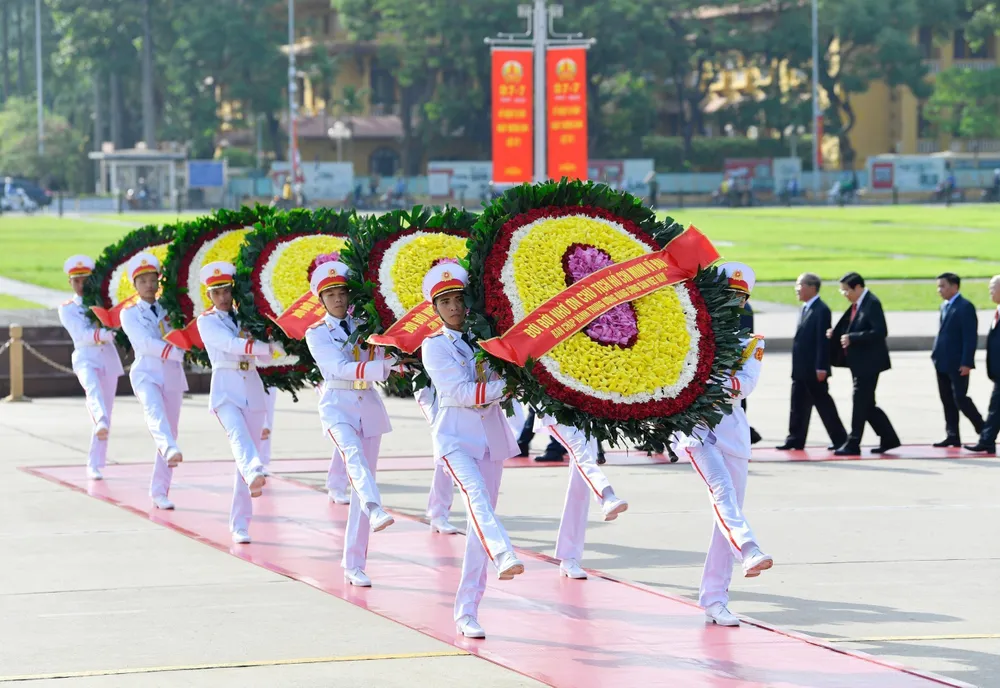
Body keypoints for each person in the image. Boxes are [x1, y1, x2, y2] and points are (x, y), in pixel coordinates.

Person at [420, 262, 523, 639]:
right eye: (445, 302)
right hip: (454, 440)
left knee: (480, 520)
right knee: (477, 498)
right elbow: (461, 393)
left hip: (490, 440)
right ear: (435, 309)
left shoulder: (490, 338)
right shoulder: (433, 347)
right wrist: (504, 388)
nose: (454, 308)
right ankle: (505, 554)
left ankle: (467, 611)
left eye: (459, 299)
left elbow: (507, 375)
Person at [671, 261, 773, 628]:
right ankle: (750, 549)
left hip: (731, 430)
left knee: (724, 514)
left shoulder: (751, 343)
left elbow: (745, 385)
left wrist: (713, 382)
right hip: (696, 429)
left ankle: (715, 599)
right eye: (729, 296)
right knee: (722, 492)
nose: (735, 304)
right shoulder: (693, 335)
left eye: (741, 298)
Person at [305, 257, 399, 588]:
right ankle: (375, 508)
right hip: (337, 406)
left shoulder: (365, 324)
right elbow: (340, 368)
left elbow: (380, 355)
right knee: (354, 461)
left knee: (364, 478)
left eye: (343, 292)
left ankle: (354, 563)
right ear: (321, 299)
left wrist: (399, 358)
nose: (339, 299)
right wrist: (383, 367)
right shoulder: (316, 333)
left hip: (368, 405)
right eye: (331, 295)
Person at [196, 262, 278, 544]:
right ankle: (254, 468)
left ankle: (240, 523)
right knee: (238, 437)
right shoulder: (206, 321)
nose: (222, 297)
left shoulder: (247, 317)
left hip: (252, 387)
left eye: (226, 291)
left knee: (243, 456)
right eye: (216, 292)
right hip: (225, 389)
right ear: (209, 295)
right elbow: (230, 344)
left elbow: (265, 357)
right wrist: (262, 347)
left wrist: (274, 344)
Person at [119, 252, 188, 510]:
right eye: (143, 280)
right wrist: (175, 351)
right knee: (154, 413)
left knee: (171, 428)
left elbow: (183, 333)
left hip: (171, 375)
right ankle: (168, 446)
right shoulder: (130, 314)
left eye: (152, 279)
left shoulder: (172, 309)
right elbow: (144, 343)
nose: (149, 285)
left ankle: (159, 490)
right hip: (146, 373)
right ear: (135, 285)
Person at [534, 415, 628, 580]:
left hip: (585, 410)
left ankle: (569, 556)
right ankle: (606, 495)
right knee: (581, 452)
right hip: (556, 411)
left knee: (579, 481)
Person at [58, 255, 125, 480]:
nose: (81, 285)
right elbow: (80, 334)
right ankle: (100, 420)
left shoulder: (104, 302)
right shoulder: (67, 308)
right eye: (76, 280)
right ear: (70, 282)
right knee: (93, 392)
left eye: (85, 280)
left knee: (107, 409)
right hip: (86, 358)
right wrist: (106, 334)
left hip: (107, 358)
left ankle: (95, 463)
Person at [828, 273, 901, 456]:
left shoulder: (872, 303)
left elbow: (880, 331)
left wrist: (853, 338)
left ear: (858, 287)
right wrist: (836, 334)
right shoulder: (858, 304)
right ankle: (889, 437)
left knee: (860, 402)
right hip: (859, 363)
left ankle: (854, 443)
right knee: (866, 404)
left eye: (846, 290)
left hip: (870, 363)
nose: (844, 294)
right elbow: (851, 325)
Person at [777, 273, 847, 451]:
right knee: (797, 404)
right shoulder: (804, 308)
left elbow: (822, 342)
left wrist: (822, 367)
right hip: (801, 368)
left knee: (824, 405)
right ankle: (795, 438)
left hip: (814, 369)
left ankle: (841, 439)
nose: (796, 289)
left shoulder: (821, 310)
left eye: (799, 285)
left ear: (811, 287)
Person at [931, 273, 984, 447]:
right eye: (938, 286)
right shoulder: (944, 306)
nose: (939, 290)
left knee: (960, 398)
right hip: (942, 361)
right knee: (947, 400)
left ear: (955, 287)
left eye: (943, 286)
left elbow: (970, 337)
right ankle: (952, 435)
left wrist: (967, 362)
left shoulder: (965, 307)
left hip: (957, 363)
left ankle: (983, 430)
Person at [966, 276, 1000, 454]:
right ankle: (987, 440)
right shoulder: (998, 311)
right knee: (996, 409)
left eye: (993, 288)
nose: (990, 292)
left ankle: (987, 440)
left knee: (996, 408)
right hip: (998, 372)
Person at [740, 301, 762, 445]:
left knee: (739, 405)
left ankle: (745, 436)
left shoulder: (743, 307)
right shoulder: (743, 305)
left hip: (737, 365)